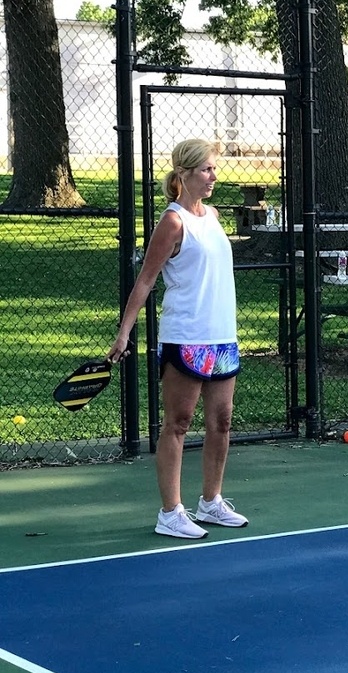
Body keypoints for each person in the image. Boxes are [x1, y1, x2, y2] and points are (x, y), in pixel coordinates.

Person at [108, 139, 249, 539]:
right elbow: (147, 280)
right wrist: (124, 333)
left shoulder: (214, 215)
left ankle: (211, 502)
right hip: (185, 338)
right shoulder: (172, 223)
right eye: (206, 170)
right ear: (184, 174)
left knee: (221, 422)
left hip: (222, 338)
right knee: (178, 423)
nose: (213, 177)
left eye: (214, 169)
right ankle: (170, 512)